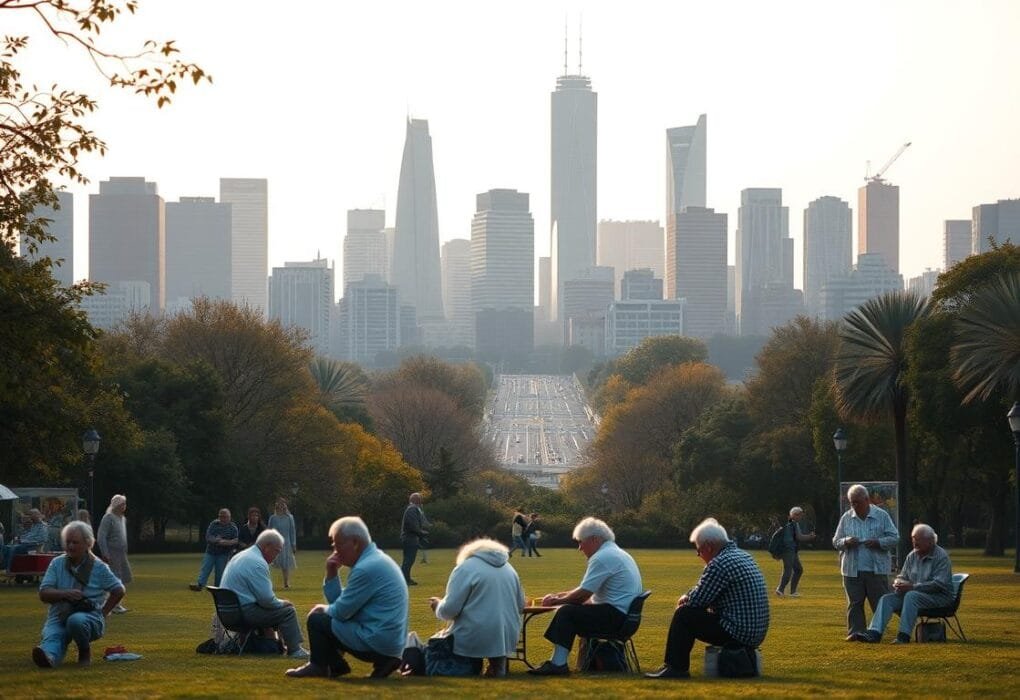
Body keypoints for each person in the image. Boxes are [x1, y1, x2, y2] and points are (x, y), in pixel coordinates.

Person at [646, 518, 770, 680]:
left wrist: (685, 599)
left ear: (708, 546)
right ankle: (674, 667)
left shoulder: (719, 563)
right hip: (755, 631)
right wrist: (690, 596)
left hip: (737, 631)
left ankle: (676, 668)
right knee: (688, 612)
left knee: (684, 615)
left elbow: (697, 600)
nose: (699, 556)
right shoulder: (743, 556)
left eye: (699, 551)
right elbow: (704, 590)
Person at [286, 516, 407, 679]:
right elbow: (344, 603)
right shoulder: (377, 560)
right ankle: (379, 662)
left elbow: (341, 611)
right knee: (326, 617)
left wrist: (320, 610)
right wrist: (332, 573)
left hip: (376, 640)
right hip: (390, 643)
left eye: (338, 545)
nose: (335, 551)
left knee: (316, 619)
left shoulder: (365, 568)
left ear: (355, 542)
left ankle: (320, 666)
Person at [528, 516, 643, 676]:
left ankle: (558, 664)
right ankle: (559, 663)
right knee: (570, 609)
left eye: (581, 542)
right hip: (626, 618)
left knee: (566, 612)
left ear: (595, 539)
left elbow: (582, 595)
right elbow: (585, 590)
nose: (580, 548)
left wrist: (557, 601)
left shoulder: (602, 557)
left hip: (615, 618)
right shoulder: (617, 553)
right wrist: (559, 596)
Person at [426, 537, 525, 677]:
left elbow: (449, 611)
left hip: (472, 637)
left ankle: (471, 666)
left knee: (440, 650)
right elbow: (521, 605)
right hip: (507, 636)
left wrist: (437, 605)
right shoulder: (510, 569)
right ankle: (497, 664)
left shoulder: (465, 568)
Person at [32, 521, 125, 668]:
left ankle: (84, 651)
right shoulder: (57, 563)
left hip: (90, 618)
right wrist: (65, 594)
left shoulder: (99, 567)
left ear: (88, 543)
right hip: (59, 615)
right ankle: (48, 657)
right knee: (53, 637)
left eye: (75, 542)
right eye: (67, 542)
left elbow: (119, 590)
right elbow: (44, 593)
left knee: (76, 620)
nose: (70, 546)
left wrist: (103, 613)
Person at [853, 523, 954, 644]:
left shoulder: (941, 557)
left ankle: (903, 636)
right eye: (913, 539)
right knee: (887, 599)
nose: (915, 543)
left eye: (918, 540)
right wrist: (898, 583)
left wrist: (912, 587)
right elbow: (902, 576)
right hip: (915, 595)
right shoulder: (912, 555)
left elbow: (939, 584)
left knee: (911, 596)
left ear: (931, 541)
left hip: (939, 598)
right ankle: (874, 633)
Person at [220, 528, 309, 658]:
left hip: (227, 613)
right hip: (242, 614)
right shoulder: (257, 562)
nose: (277, 556)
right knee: (288, 611)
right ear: (267, 546)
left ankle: (278, 645)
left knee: (278, 609)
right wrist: (284, 603)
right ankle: (295, 650)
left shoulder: (241, 556)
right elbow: (267, 601)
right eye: (276, 551)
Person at [833, 484, 899, 639]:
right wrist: (846, 541)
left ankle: (876, 632)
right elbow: (836, 541)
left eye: (857, 502)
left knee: (879, 603)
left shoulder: (881, 515)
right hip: (851, 569)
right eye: (851, 502)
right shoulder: (846, 518)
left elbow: (895, 538)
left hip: (876, 569)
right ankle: (856, 632)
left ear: (867, 500)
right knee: (854, 603)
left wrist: (878, 542)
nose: (854, 506)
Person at [96, 494, 132, 614]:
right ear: (115, 505)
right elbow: (101, 537)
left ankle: (113, 602)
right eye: (122, 504)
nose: (124, 506)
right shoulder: (108, 518)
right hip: (112, 553)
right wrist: (105, 553)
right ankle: (114, 604)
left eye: (125, 504)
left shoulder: (122, 518)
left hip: (121, 554)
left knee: (124, 576)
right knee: (115, 578)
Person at [189, 508, 238, 591]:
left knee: (220, 572)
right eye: (221, 516)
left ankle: (217, 588)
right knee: (205, 569)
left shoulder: (233, 528)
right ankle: (200, 585)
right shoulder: (213, 524)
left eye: (225, 517)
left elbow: (235, 541)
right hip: (211, 552)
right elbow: (208, 537)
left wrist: (219, 541)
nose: (223, 518)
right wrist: (219, 541)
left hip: (224, 554)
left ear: (229, 517)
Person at [775, 506, 816, 597]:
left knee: (798, 569)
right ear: (795, 515)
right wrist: (810, 536)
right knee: (788, 570)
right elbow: (799, 537)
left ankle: (792, 592)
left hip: (790, 550)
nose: (801, 517)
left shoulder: (788, 523)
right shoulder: (794, 524)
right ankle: (780, 589)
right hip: (789, 550)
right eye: (800, 515)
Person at [268, 498, 297, 589]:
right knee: (270, 562)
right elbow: (269, 530)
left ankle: (286, 583)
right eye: (279, 504)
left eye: (283, 504)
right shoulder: (273, 518)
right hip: (275, 542)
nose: (281, 506)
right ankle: (268, 583)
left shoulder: (290, 517)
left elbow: (292, 532)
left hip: (286, 543)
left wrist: (293, 544)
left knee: (286, 564)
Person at [400, 493, 427, 585]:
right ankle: (404, 580)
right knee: (409, 560)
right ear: (416, 500)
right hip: (410, 538)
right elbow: (413, 526)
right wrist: (422, 533)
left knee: (408, 560)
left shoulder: (411, 509)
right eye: (420, 499)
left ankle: (406, 579)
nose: (421, 501)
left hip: (410, 538)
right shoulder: (412, 509)